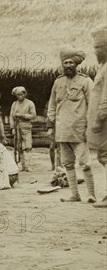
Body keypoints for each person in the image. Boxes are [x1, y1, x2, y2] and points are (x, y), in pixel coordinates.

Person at [47, 45, 96, 203]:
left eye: (71, 63)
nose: (68, 65)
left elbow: (93, 105)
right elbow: (52, 106)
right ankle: (75, 195)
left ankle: (91, 194)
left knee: (85, 163)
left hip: (79, 130)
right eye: (65, 63)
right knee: (67, 164)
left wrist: (91, 127)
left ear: (76, 64)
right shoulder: (58, 82)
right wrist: (50, 126)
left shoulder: (85, 81)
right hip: (62, 131)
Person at [87, 26, 107, 208]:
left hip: (104, 122)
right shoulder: (102, 67)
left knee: (106, 156)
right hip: (101, 122)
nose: (96, 51)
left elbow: (106, 98)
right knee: (103, 156)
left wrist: (99, 119)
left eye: (99, 47)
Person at [9, 86, 37, 171]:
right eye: (18, 95)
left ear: (24, 94)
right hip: (17, 127)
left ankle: (28, 165)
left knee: (28, 146)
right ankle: (21, 164)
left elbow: (33, 115)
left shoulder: (30, 103)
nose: (19, 96)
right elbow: (11, 116)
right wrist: (12, 128)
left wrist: (22, 115)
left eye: (21, 94)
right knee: (19, 147)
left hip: (26, 127)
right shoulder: (14, 104)